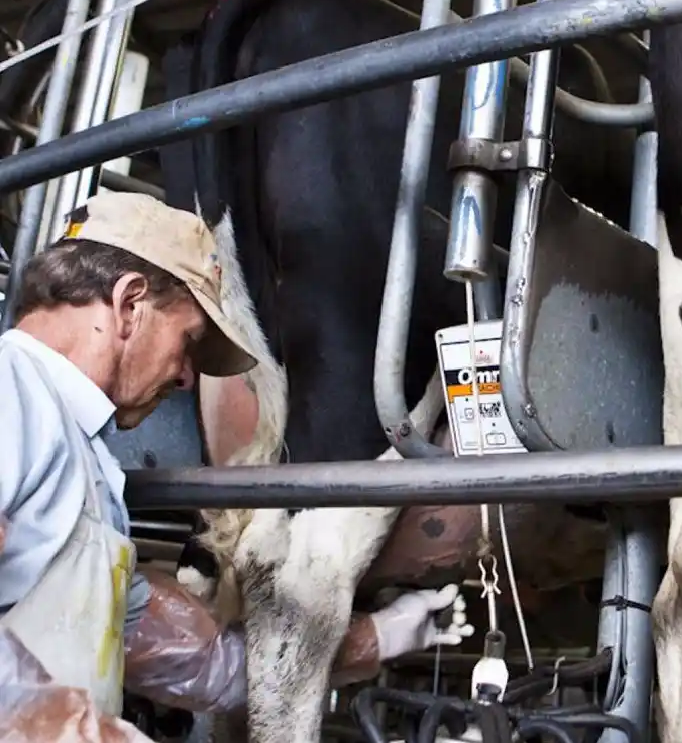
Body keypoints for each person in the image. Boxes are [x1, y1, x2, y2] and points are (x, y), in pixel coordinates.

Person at [0, 191, 474, 726]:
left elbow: (198, 666)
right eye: (188, 341)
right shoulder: (11, 392)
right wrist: (69, 731)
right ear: (130, 304)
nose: (185, 376)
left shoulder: (84, 457)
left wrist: (376, 637)